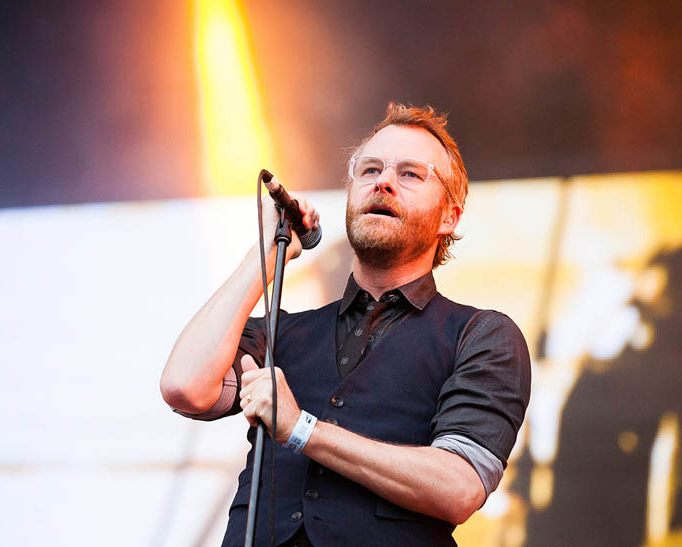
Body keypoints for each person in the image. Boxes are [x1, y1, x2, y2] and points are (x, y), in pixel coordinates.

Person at [160, 103, 531, 547]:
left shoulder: (480, 336)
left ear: (449, 217)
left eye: (411, 174)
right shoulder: (283, 332)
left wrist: (302, 429)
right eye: (369, 169)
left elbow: (459, 487)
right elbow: (184, 386)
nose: (384, 181)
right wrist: (265, 257)